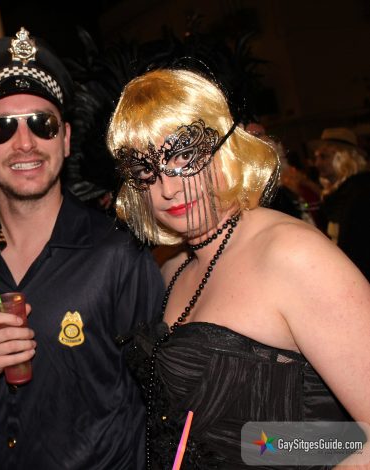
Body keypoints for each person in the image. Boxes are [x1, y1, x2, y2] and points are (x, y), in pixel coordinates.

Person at [107, 67, 370, 469]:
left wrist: (271, 451)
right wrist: (259, 447)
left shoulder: (293, 256)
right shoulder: (173, 267)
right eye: (145, 170)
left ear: (226, 146)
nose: (168, 188)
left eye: (183, 155)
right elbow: (255, 437)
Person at [0, 27, 164, 469]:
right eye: (2, 128)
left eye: (42, 124)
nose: (25, 143)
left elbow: (166, 403)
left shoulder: (118, 254)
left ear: (65, 139)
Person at [310, 127, 370, 280]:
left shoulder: (361, 191)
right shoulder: (340, 193)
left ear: (343, 157)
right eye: (316, 157)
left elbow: (357, 248)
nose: (317, 163)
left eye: (324, 157)